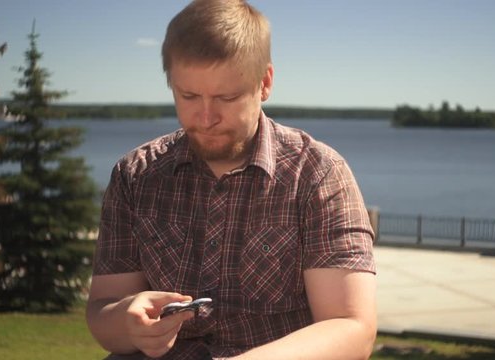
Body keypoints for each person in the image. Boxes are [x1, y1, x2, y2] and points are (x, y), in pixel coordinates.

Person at [85, 0, 377, 359]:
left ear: (265, 82)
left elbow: (351, 328)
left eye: (227, 97)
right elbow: (103, 309)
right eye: (188, 96)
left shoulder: (317, 175)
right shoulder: (136, 175)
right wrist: (126, 322)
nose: (206, 118)